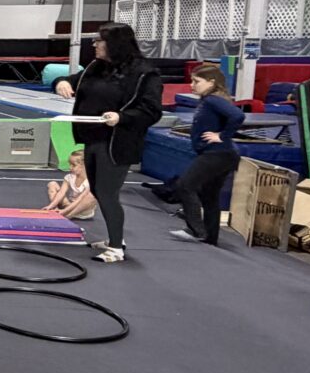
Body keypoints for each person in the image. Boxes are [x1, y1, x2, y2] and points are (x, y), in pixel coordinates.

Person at [53, 21, 164, 264]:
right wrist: (62, 81)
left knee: (107, 193)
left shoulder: (144, 73)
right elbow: (74, 80)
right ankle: (115, 238)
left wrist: (122, 117)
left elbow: (152, 110)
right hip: (92, 138)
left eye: (99, 41)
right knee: (99, 192)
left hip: (116, 142)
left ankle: (116, 247)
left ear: (115, 44)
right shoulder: (97, 67)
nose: (94, 44)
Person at [170, 64, 245, 245]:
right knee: (210, 195)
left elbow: (238, 116)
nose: (192, 85)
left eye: (197, 81)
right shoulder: (210, 100)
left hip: (218, 154)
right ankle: (210, 236)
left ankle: (196, 230)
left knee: (185, 185)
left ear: (211, 82)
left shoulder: (212, 100)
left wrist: (222, 135)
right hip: (223, 154)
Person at [44, 148, 99, 222]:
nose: (70, 167)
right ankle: (56, 211)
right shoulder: (69, 177)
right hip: (69, 205)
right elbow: (61, 193)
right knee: (52, 184)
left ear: (84, 165)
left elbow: (80, 200)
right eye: (70, 164)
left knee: (92, 195)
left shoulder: (90, 181)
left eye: (73, 165)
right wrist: (51, 206)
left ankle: (69, 215)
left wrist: (64, 212)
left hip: (83, 211)